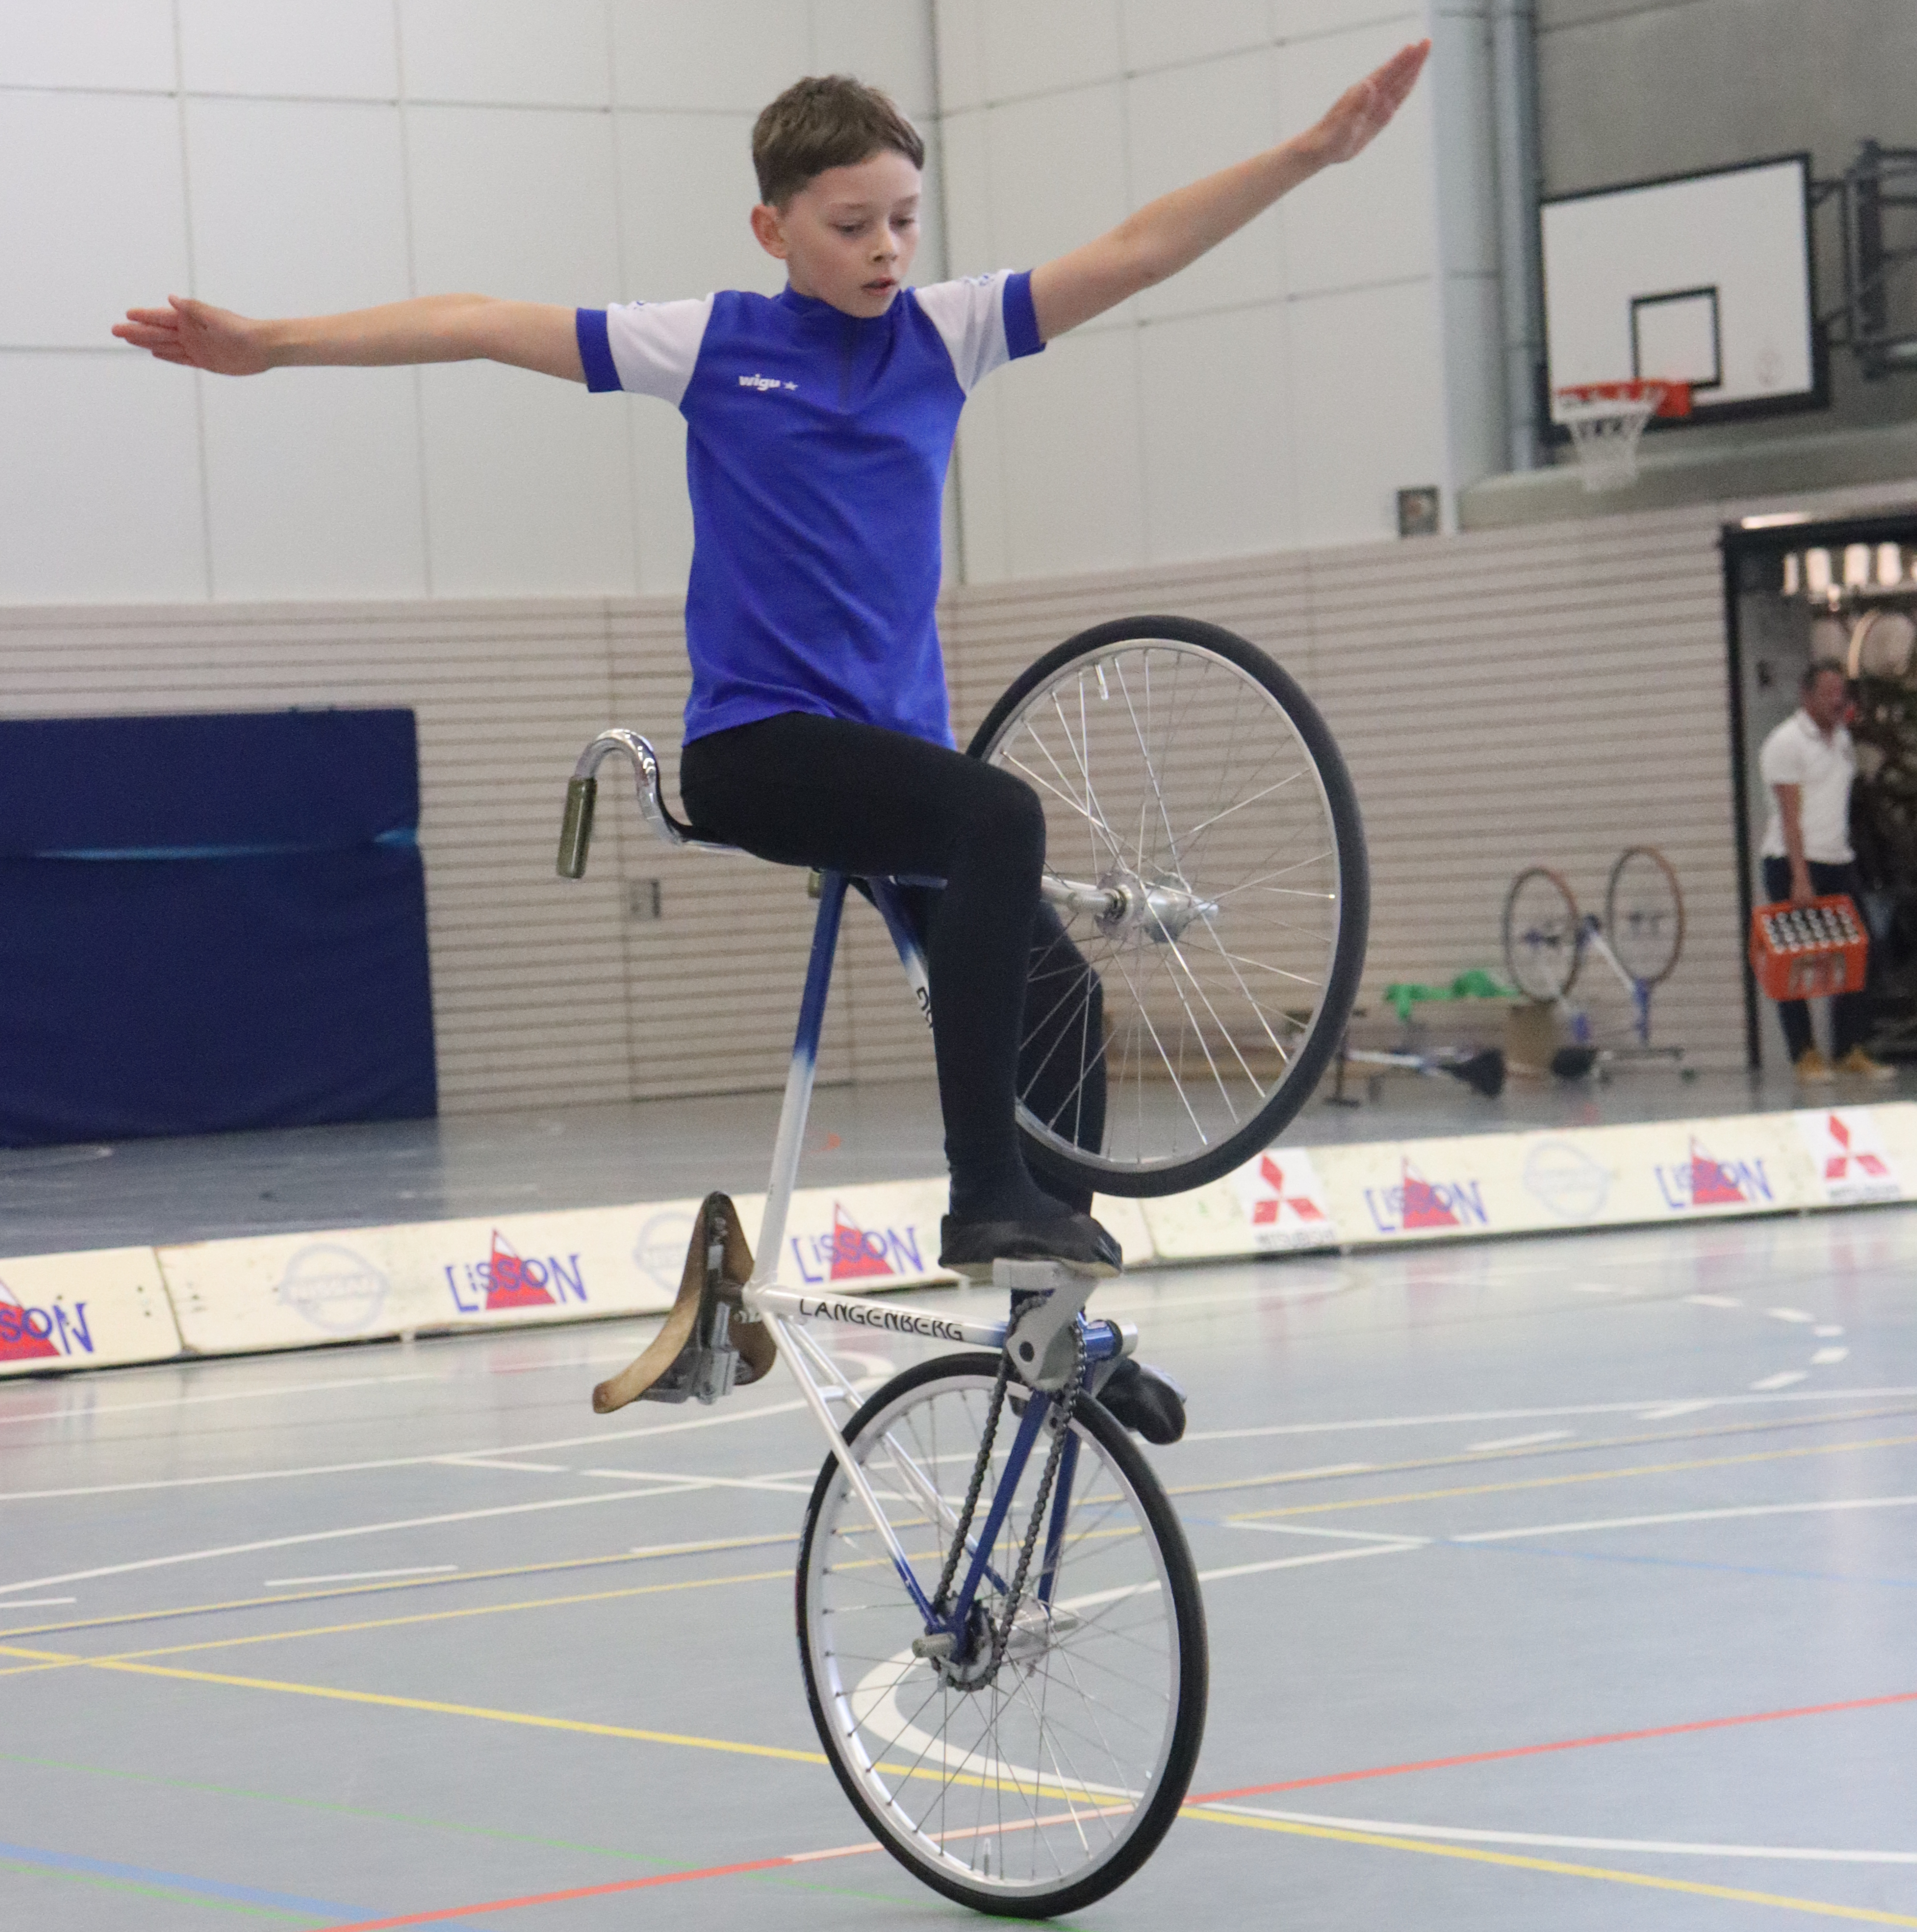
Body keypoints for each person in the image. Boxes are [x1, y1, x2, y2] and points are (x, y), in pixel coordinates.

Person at [115, 47, 1427, 1413]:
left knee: (1061, 997)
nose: (888, 249)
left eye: (905, 220)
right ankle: (986, 1196)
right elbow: (478, 318)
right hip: (758, 751)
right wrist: (273, 344)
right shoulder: (713, 346)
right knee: (1004, 819)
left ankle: (1057, 1327)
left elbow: (1142, 249)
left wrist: (1307, 157)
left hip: (898, 776)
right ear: (774, 229)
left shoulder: (949, 335)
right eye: (853, 226)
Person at [1759, 660, 1894, 1082]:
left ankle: (1849, 1046)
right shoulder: (1786, 743)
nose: (1838, 701)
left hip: (1838, 859)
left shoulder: (1843, 742)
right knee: (1795, 960)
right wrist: (1800, 876)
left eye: (1842, 693)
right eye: (1829, 694)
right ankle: (1805, 1054)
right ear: (1807, 696)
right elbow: (1789, 817)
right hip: (1793, 860)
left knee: (1863, 950)